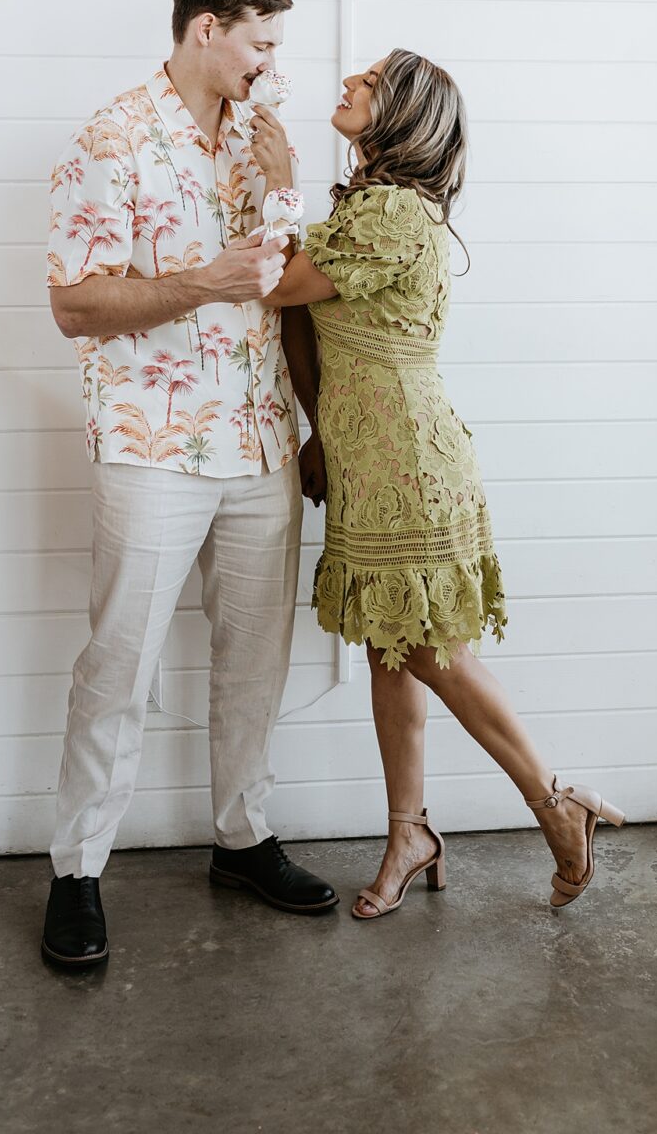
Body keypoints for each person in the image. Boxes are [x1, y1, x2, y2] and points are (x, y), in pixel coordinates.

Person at [264, 49, 625, 919]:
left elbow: (274, 285)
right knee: (391, 651)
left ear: (403, 115)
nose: (348, 79)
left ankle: (553, 801)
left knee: (430, 652)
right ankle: (408, 833)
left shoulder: (390, 211)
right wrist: (318, 432)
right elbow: (298, 320)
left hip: (411, 464)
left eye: (373, 80)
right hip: (367, 457)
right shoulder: (367, 210)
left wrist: (276, 184)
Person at [41, 0, 338, 970]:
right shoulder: (110, 138)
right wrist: (197, 284)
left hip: (259, 437)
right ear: (206, 29)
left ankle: (243, 839)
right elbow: (76, 303)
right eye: (260, 42)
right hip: (150, 443)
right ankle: (76, 869)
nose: (269, 63)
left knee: (255, 656)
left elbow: (284, 282)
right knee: (117, 660)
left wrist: (291, 186)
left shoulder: (262, 145)